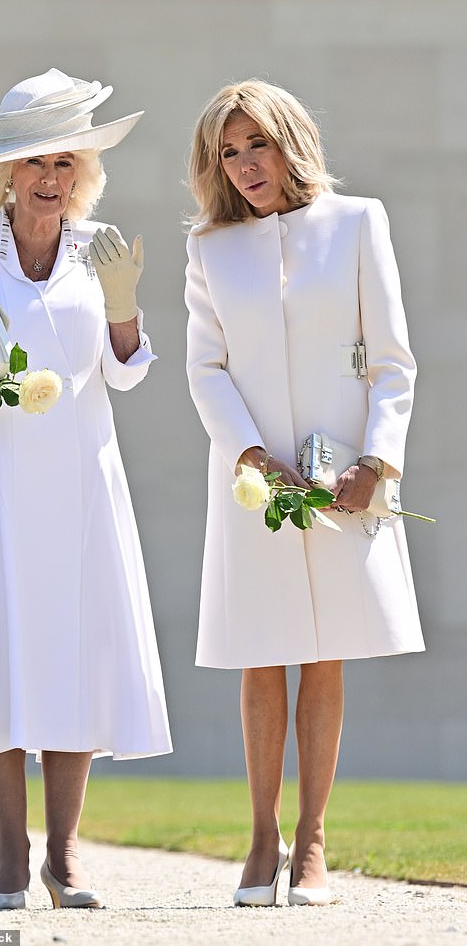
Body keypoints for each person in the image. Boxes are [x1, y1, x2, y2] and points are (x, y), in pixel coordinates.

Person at [0, 68, 172, 912]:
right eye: (32, 164)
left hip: (81, 488)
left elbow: (125, 374)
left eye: (65, 162)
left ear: (83, 171)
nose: (50, 179)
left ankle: (65, 856)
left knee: (76, 660)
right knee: (0, 655)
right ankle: (12, 857)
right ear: (4, 175)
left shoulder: (102, 249)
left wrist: (125, 310)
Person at [185, 80, 424, 908]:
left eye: (257, 144)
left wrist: (378, 465)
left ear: (291, 141)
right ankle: (261, 838)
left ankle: (314, 841)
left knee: (324, 652)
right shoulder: (211, 249)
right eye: (228, 151)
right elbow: (205, 368)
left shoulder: (359, 222)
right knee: (261, 652)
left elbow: (394, 361)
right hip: (254, 482)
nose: (245, 165)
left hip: (339, 475)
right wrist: (250, 453)